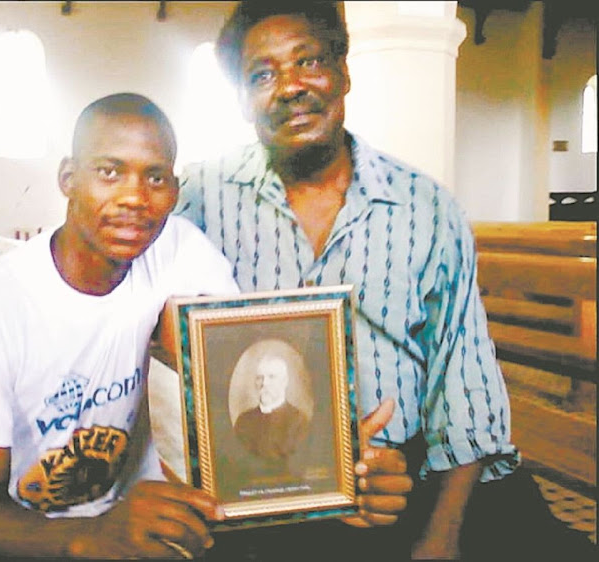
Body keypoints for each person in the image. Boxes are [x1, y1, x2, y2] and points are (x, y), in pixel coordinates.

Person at [175, 2, 597, 560]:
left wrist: (440, 535)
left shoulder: (424, 206)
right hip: (264, 490)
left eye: (308, 61)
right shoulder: (202, 196)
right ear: (242, 98)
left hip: (410, 477)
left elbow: (461, 377)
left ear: (344, 72)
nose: (291, 87)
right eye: (263, 74)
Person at [0, 93, 244, 559]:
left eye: (155, 177)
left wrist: (325, 453)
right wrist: (96, 535)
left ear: (175, 190)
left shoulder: (178, 249)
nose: (135, 198)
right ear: (68, 178)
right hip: (31, 536)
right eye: (110, 171)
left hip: (136, 517)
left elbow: (238, 364)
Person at [233, 353, 309, 461]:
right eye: (260, 378)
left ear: (284, 382)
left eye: (272, 377)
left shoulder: (299, 421)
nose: (264, 383)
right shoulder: (243, 421)